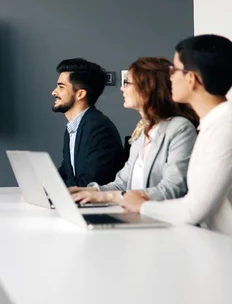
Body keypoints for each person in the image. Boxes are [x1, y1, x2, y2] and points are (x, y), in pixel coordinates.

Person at [122, 35, 232, 236]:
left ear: (192, 79)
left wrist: (141, 206)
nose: (169, 76)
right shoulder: (211, 125)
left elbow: (192, 210)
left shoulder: (225, 128)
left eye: (174, 70)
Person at [69, 57, 199, 204]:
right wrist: (83, 191)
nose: (121, 88)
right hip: (135, 217)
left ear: (147, 87)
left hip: (160, 222)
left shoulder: (180, 128)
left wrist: (107, 197)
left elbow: (173, 189)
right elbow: (122, 185)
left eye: (127, 83)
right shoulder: (142, 132)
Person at [52, 58, 125, 187]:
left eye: (61, 87)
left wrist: (55, 189)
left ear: (80, 94)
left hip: (99, 205)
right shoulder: (73, 127)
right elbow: (67, 172)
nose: (54, 92)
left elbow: (91, 182)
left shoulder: (98, 127)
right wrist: (47, 186)